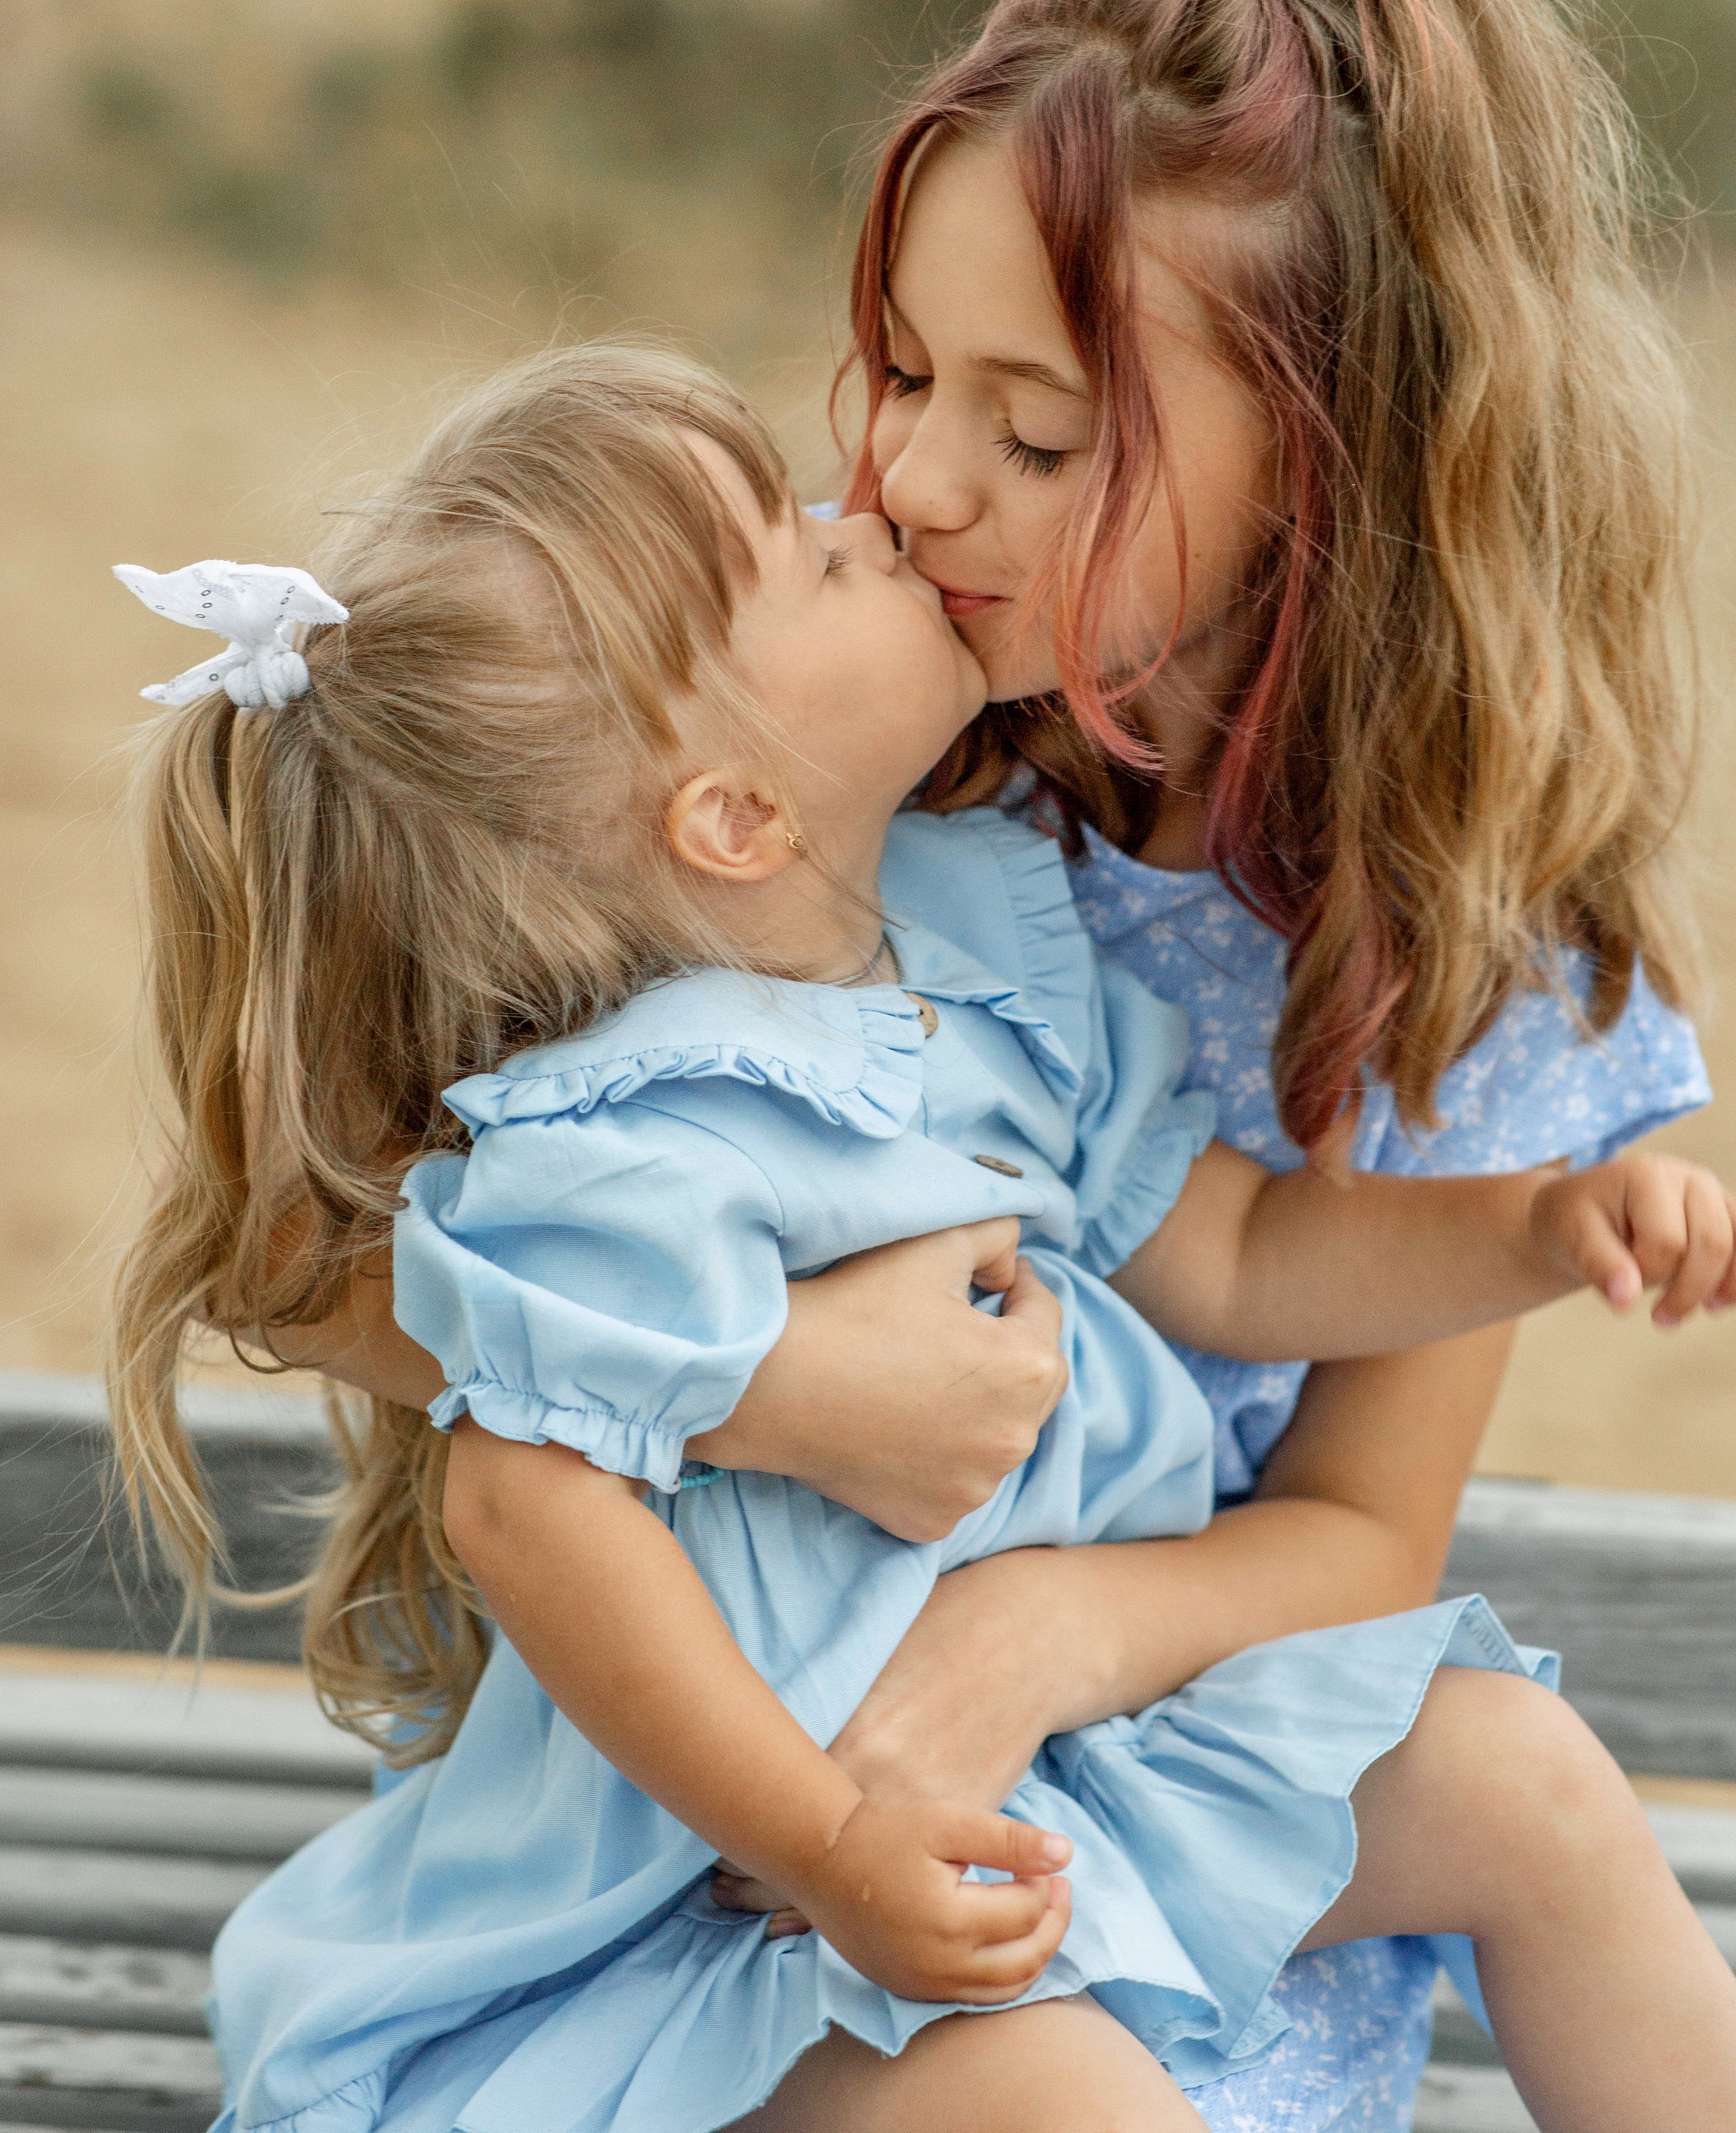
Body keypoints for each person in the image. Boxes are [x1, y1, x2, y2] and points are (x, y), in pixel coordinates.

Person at [108, 353, 1736, 2133]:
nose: (868, 511)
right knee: (1066, 2103)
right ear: (732, 816)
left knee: (1527, 1777)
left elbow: (1250, 1259)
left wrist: (1538, 1224)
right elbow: (518, 1497)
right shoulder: (625, 1139)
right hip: (735, 1885)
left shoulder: (984, 949)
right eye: (805, 558)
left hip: (1061, 1755)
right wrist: (832, 1841)